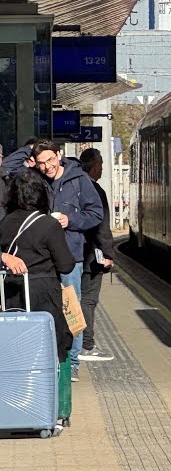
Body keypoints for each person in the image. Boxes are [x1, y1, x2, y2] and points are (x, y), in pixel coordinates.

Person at [3, 140, 103, 382]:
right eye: (41, 162)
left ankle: (73, 362)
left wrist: (71, 220)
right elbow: (6, 166)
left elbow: (96, 213)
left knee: (70, 307)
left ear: (60, 155)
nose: (47, 166)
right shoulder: (33, 177)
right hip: (40, 261)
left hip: (69, 253)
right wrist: (31, 148)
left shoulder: (79, 179)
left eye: (50, 160)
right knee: (44, 310)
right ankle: (41, 360)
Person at [1, 169, 76, 431]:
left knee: (14, 350)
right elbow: (66, 265)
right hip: (43, 292)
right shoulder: (49, 224)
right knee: (57, 344)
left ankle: (14, 407)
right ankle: (53, 410)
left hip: (10, 293)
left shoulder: (5, 222)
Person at [77, 148, 114, 362]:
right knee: (88, 299)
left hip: (74, 253)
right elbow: (102, 225)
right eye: (100, 164)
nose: (101, 168)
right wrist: (108, 253)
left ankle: (78, 344)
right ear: (94, 165)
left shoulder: (75, 186)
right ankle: (86, 345)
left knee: (77, 298)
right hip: (92, 254)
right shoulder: (94, 190)